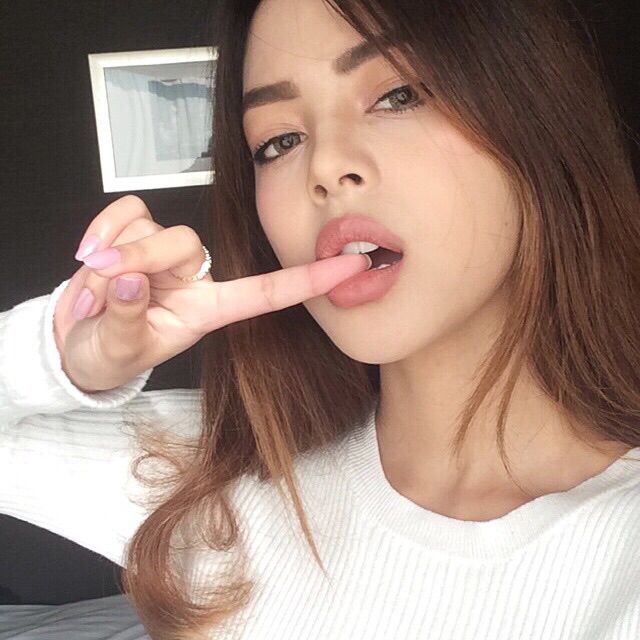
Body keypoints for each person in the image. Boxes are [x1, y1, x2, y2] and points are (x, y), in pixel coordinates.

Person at [3, 0, 640, 637]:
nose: (325, 167)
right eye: (279, 141)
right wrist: (62, 354)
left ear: (536, 115)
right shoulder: (213, 465)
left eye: (397, 95)